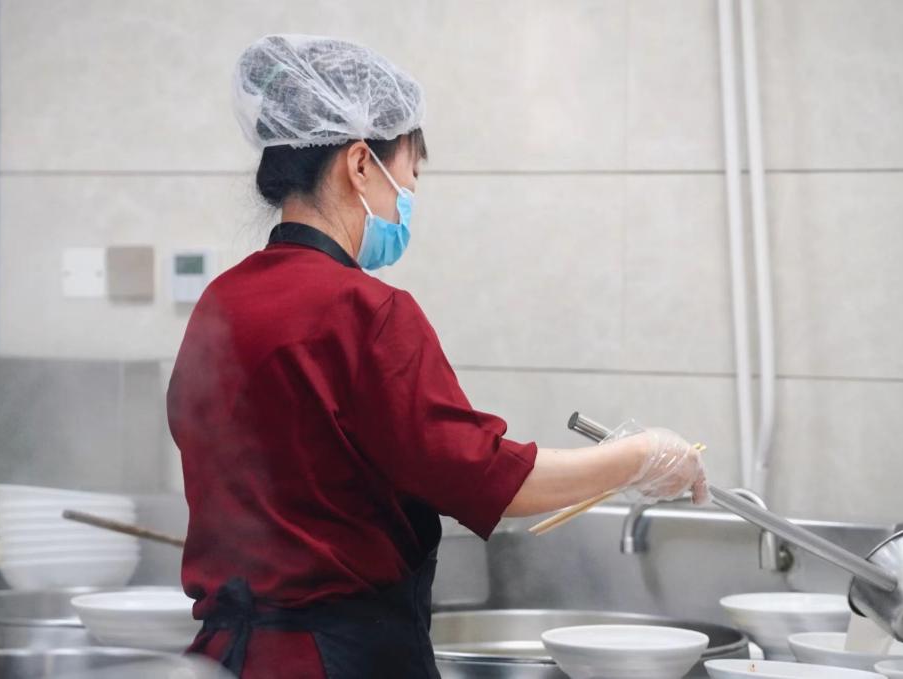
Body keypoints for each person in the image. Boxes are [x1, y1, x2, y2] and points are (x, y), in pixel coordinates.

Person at [167, 34, 708, 679]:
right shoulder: (364, 310)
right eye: (410, 177)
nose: (407, 199)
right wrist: (641, 457)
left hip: (226, 660)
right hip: (336, 661)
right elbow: (484, 478)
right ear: (360, 164)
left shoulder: (222, 302)